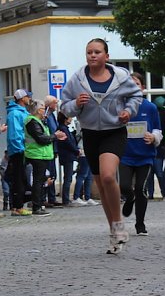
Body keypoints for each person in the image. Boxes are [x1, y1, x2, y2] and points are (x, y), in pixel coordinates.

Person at [60, 38, 142, 254]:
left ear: (106, 56)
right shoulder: (77, 79)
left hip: (114, 132)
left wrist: (128, 112)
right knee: (102, 186)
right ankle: (114, 232)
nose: (92, 55)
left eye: (97, 52)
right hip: (90, 133)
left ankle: (119, 225)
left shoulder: (121, 77)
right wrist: (76, 103)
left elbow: (136, 95)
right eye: (89, 52)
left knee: (107, 176)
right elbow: (64, 107)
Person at [119, 72, 161, 235]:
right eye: (130, 83)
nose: (133, 86)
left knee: (141, 188)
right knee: (124, 186)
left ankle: (140, 224)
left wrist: (154, 137)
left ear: (143, 88)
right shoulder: (120, 107)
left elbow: (158, 129)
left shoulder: (150, 107)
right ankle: (129, 198)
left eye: (137, 83)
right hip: (125, 155)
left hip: (145, 156)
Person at [24, 99, 65, 216]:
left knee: (42, 181)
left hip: (42, 154)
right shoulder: (32, 122)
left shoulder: (39, 121)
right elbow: (41, 138)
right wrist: (55, 136)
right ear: (37, 110)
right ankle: (36, 207)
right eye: (42, 108)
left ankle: (39, 205)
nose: (44, 111)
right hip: (36, 154)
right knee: (38, 181)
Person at [5, 88, 32, 216]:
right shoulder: (15, 113)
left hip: (22, 149)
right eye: (28, 96)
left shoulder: (21, 112)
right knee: (18, 179)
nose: (29, 98)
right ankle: (18, 207)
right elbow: (15, 134)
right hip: (18, 150)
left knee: (21, 178)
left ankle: (18, 206)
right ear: (22, 98)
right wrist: (21, 149)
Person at [56, 112, 79, 207]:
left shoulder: (64, 128)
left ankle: (66, 199)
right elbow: (68, 142)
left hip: (67, 155)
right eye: (70, 117)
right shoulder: (63, 129)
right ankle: (65, 199)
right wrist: (76, 151)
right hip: (67, 155)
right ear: (65, 119)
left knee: (68, 177)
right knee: (68, 178)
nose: (71, 119)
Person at [43, 95, 62, 207]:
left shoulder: (52, 116)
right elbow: (51, 131)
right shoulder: (46, 116)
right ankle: (46, 197)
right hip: (48, 147)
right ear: (49, 104)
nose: (56, 105)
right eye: (55, 103)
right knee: (48, 173)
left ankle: (52, 197)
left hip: (53, 148)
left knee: (52, 173)